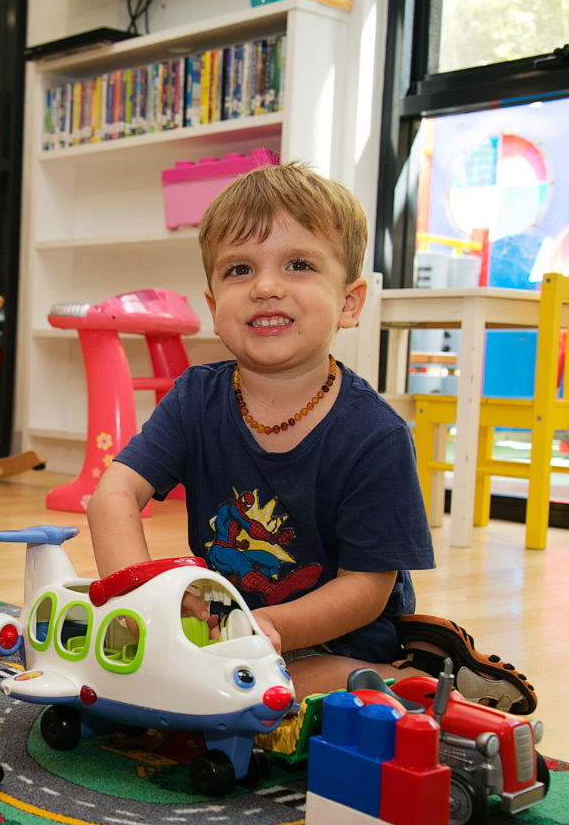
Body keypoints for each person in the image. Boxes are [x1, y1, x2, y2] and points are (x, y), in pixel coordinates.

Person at [86, 162, 536, 714]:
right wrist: (144, 600)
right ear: (213, 309)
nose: (266, 287)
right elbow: (112, 496)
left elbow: (367, 589)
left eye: (298, 265)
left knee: (276, 696)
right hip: (226, 635)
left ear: (349, 303)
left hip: (336, 640)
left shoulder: (375, 435)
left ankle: (423, 677)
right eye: (239, 270)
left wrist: (266, 628)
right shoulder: (194, 399)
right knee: (132, 677)